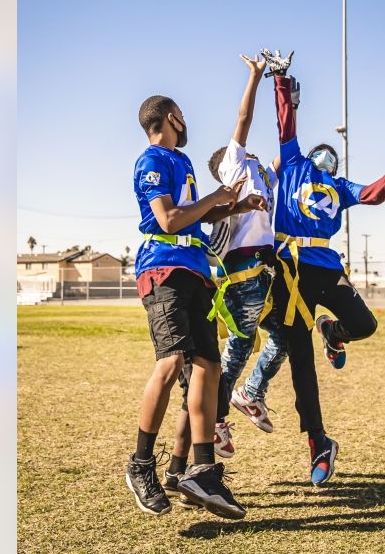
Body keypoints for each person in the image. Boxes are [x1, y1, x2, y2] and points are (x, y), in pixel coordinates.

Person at [263, 56, 385, 485]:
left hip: (325, 267)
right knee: (301, 365)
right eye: (322, 152)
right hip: (289, 271)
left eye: (333, 156)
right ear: (311, 155)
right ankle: (318, 441)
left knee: (364, 324)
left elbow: (374, 194)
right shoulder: (293, 165)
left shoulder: (341, 186)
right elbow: (285, 124)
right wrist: (280, 81)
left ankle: (334, 332)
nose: (326, 156)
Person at [125, 94, 264, 519]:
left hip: (196, 271)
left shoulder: (181, 162)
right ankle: (141, 463)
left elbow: (193, 216)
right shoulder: (152, 160)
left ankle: (202, 470)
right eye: (181, 115)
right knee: (171, 363)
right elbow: (168, 221)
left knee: (209, 365)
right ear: (171, 118)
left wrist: (235, 205)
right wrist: (214, 198)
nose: (186, 121)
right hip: (163, 270)